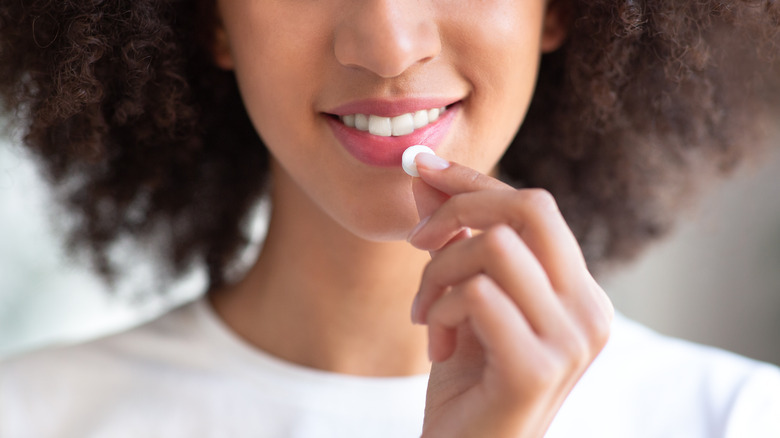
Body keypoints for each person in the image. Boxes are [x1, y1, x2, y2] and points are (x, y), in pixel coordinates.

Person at [1, 0, 779, 436]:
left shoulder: (736, 421)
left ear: (560, 8)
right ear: (209, 19)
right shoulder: (30, 419)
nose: (386, 44)